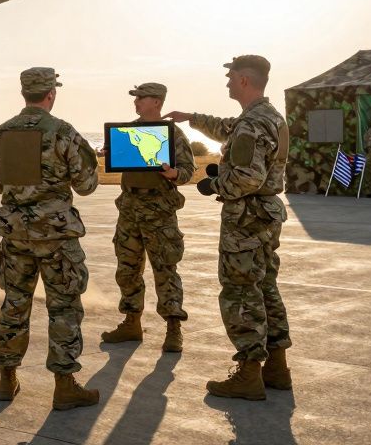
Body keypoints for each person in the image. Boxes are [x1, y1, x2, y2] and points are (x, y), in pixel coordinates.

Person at [164, 54, 291, 401]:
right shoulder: (268, 118)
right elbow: (226, 128)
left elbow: (248, 177)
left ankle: (249, 373)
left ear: (245, 81)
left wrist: (215, 186)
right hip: (265, 216)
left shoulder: (252, 124)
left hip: (246, 220)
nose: (228, 82)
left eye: (231, 77)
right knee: (265, 288)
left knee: (239, 292)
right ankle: (277, 368)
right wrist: (192, 118)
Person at [0, 67, 101, 410]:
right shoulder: (62, 132)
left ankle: (7, 380)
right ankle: (64, 386)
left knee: (15, 302)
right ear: (51, 93)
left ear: (24, 94)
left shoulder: (0, 134)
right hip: (56, 237)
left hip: (16, 236)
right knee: (63, 307)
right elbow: (87, 186)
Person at [101, 82, 196, 352]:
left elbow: (188, 170)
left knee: (165, 269)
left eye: (141, 98)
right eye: (136, 98)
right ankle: (132, 323)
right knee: (127, 269)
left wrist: (174, 174)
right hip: (130, 208)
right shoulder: (127, 131)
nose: (136, 102)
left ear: (157, 102)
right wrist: (111, 154)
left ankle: (173, 328)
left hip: (160, 211)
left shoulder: (173, 135)